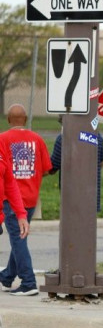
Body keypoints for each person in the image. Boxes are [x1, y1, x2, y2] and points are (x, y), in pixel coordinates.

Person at [0, 104, 51, 296]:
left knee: (18, 239)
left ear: (8, 119)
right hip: (31, 196)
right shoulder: (37, 139)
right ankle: (7, 276)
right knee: (19, 237)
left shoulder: (2, 139)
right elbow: (46, 168)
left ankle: (28, 282)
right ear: (26, 119)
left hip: (11, 198)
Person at [50, 118, 103, 212]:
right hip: (92, 196)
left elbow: (53, 166)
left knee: (71, 225)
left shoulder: (64, 138)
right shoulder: (97, 136)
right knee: (88, 225)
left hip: (71, 197)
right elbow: (100, 161)